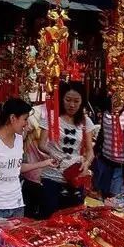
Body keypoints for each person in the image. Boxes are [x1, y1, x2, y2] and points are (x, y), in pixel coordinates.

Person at [0, 98, 54, 218]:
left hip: (17, 205)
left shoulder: (19, 139)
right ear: (12, 118)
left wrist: (45, 163)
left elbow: (16, 168)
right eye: (25, 119)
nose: (26, 124)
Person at [38, 82, 95, 217]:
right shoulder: (52, 117)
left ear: (82, 102)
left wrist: (87, 163)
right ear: (61, 99)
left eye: (76, 101)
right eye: (68, 100)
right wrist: (53, 153)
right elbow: (41, 144)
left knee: (73, 217)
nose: (72, 105)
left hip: (74, 176)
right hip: (52, 175)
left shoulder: (86, 122)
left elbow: (90, 151)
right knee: (50, 216)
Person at [93, 92, 124, 198]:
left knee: (118, 201)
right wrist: (95, 152)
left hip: (122, 167)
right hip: (105, 163)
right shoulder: (106, 110)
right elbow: (102, 133)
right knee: (103, 198)